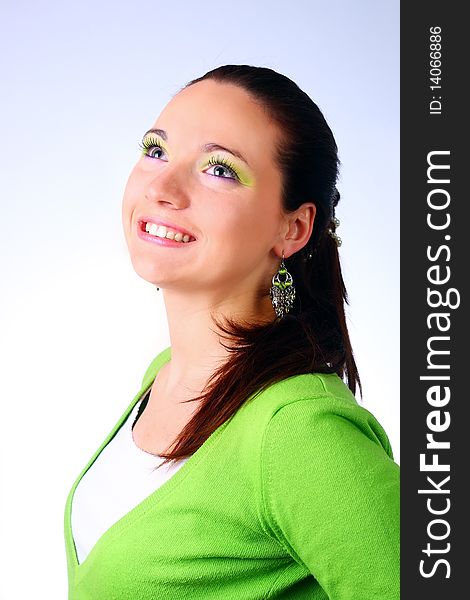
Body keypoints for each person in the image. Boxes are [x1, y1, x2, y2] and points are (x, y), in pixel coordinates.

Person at [64, 64, 400, 599]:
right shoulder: (166, 376)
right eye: (156, 150)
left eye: (219, 169)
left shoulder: (299, 431)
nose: (163, 188)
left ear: (294, 228)